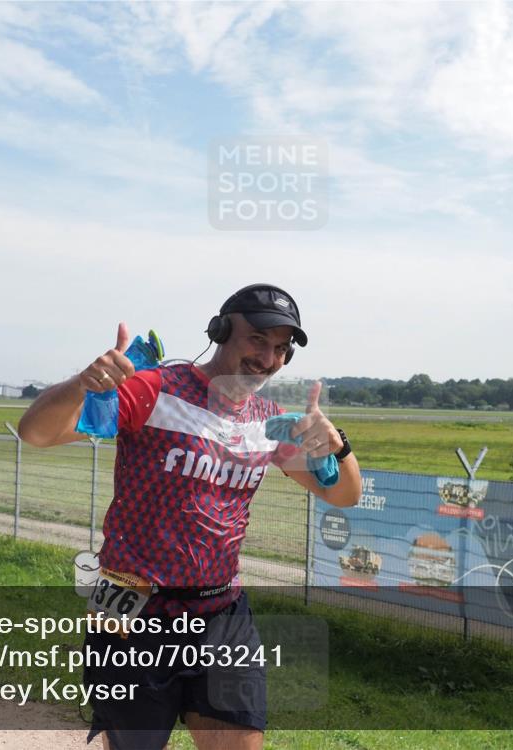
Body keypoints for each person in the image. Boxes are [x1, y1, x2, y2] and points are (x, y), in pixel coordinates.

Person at [18, 283, 361, 750]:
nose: (268, 358)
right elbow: (36, 433)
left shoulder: (268, 420)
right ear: (220, 331)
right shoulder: (155, 389)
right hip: (132, 612)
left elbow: (343, 494)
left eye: (281, 349)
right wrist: (85, 383)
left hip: (221, 612)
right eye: (257, 340)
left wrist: (338, 446)